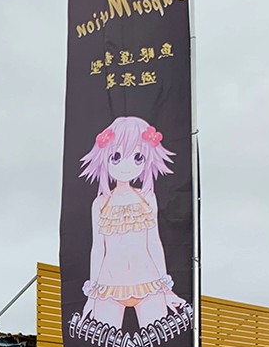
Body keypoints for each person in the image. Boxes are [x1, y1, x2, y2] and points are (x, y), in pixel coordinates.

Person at [78, 116, 188, 332]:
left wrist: (166, 289)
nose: (126, 166)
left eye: (138, 157)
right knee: (105, 344)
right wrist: (92, 295)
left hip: (149, 282)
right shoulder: (100, 203)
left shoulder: (147, 197)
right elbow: (98, 248)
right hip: (108, 285)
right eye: (116, 156)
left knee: (157, 341)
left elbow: (154, 242)